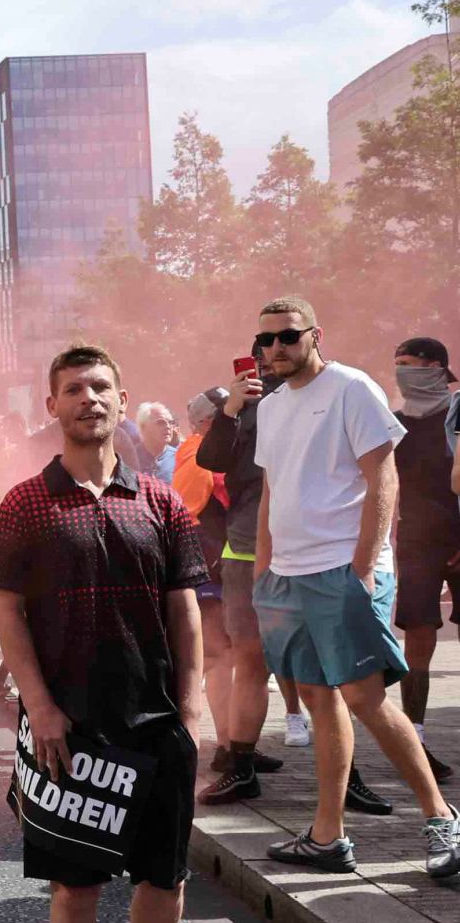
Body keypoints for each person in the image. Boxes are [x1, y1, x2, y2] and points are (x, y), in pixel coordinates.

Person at [0, 345, 206, 923]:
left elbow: (184, 604)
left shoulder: (161, 501)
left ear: (121, 397)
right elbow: (5, 610)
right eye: (73, 388)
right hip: (67, 727)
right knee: (74, 887)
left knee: (164, 878)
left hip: (156, 721)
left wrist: (193, 702)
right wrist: (38, 705)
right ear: (53, 406)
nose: (89, 398)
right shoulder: (24, 504)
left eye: (100, 386)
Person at [247, 300, 459, 878]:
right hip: (288, 576)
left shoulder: (351, 387)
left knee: (364, 698)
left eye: (287, 337)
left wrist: (364, 569)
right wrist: (264, 572)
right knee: (320, 700)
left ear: (315, 334)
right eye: (264, 341)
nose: (275, 349)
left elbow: (382, 476)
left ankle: (443, 817)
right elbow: (272, 492)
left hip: (344, 569)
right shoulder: (270, 408)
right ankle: (327, 836)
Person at [195, 344, 338, 806]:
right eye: (262, 352)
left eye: (286, 342)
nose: (272, 358)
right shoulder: (241, 408)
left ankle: (346, 776)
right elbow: (210, 460)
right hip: (245, 550)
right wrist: (232, 408)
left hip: (310, 548)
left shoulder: (326, 397)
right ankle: (239, 765)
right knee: (250, 661)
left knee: (322, 667)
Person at [391, 337, 460, 782]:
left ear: (435, 367)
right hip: (416, 542)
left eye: (408, 364)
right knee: (417, 637)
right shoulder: (392, 423)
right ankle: (414, 739)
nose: (400, 372)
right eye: (395, 365)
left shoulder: (457, 412)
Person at [175, 389, 234, 773]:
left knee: (226, 656)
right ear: (209, 420)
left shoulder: (201, 448)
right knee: (216, 655)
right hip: (208, 558)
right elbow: (199, 503)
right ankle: (224, 743)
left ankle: (235, 741)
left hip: (216, 555)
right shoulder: (199, 452)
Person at [134, 402, 177, 482]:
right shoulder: (130, 458)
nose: (168, 427)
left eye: (170, 423)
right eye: (161, 422)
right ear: (143, 427)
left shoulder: (179, 458)